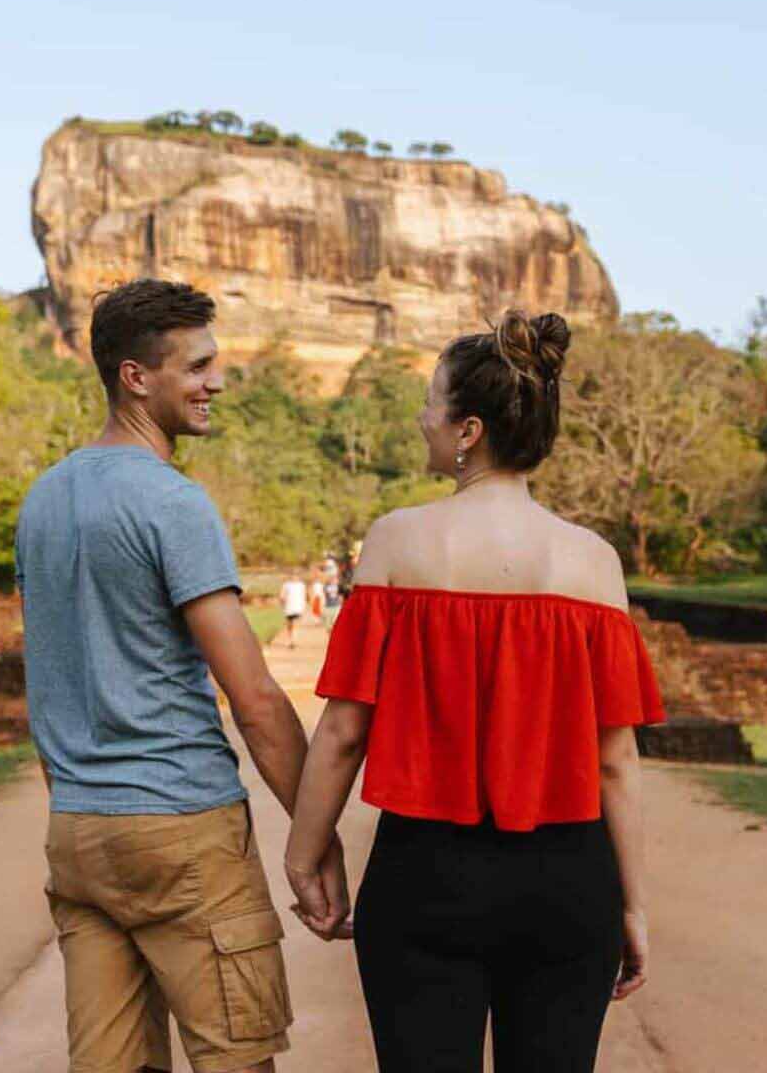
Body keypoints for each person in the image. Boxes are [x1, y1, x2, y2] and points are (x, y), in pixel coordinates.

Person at [282, 310, 665, 1073]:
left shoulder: (396, 541)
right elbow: (615, 760)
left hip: (427, 877)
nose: (423, 416)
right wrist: (632, 903)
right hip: (567, 878)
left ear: (468, 431)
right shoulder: (595, 563)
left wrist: (305, 850)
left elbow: (344, 733)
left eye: (433, 401)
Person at [14, 279, 349, 1073]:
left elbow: (50, 675)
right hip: (181, 830)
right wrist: (313, 837)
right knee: (236, 1058)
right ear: (137, 377)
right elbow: (257, 700)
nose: (216, 383)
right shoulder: (171, 502)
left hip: (80, 833)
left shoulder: (42, 500)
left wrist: (75, 797)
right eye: (197, 367)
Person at [278, 573, 307, 647]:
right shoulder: (286, 585)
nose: (295, 577)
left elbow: (304, 595)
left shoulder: (301, 585)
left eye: (296, 576)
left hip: (298, 607)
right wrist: (282, 603)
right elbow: (282, 596)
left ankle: (293, 640)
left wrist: (304, 606)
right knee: (289, 624)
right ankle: (290, 639)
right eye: (293, 576)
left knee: (295, 623)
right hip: (289, 607)